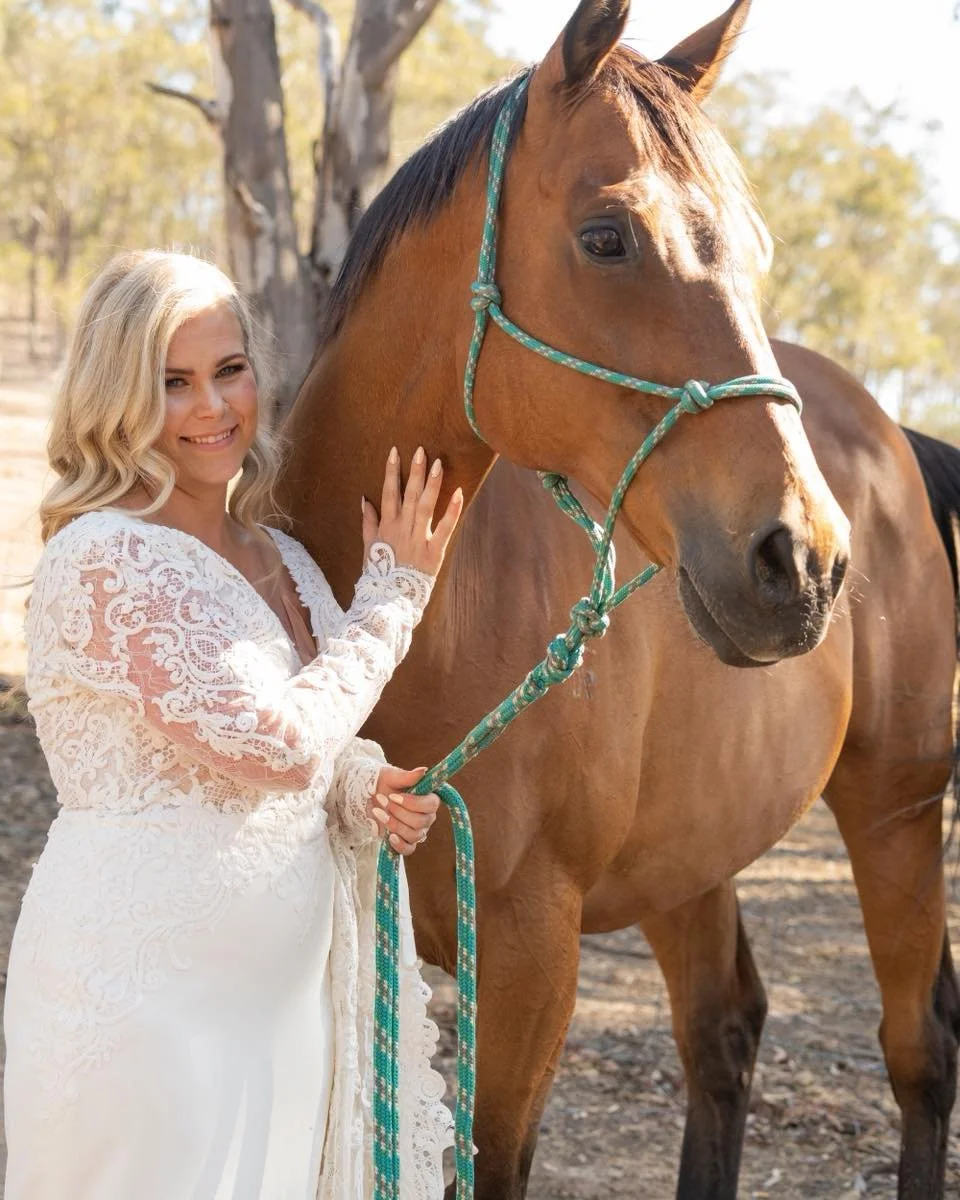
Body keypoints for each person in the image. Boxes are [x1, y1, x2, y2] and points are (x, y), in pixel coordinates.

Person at [3, 249, 465, 1199]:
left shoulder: (281, 556)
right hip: (144, 1008)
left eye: (229, 371)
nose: (213, 408)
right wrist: (394, 597)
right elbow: (278, 745)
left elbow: (312, 744)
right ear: (115, 395)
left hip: (281, 1012)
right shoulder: (106, 558)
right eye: (172, 383)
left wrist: (357, 789)